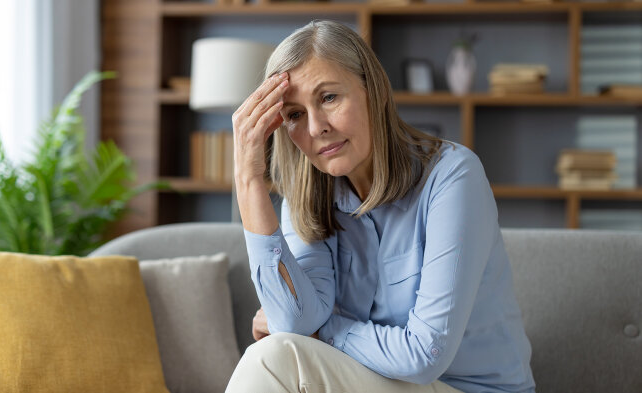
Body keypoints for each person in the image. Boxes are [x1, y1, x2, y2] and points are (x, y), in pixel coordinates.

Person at [226, 20, 535, 393]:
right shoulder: (309, 195)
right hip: (372, 381)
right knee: (277, 352)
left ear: (374, 90)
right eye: (294, 115)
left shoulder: (453, 177)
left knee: (274, 358)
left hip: (466, 389)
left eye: (328, 98)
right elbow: (295, 320)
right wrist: (248, 181)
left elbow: (424, 355)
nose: (315, 127)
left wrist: (320, 330)